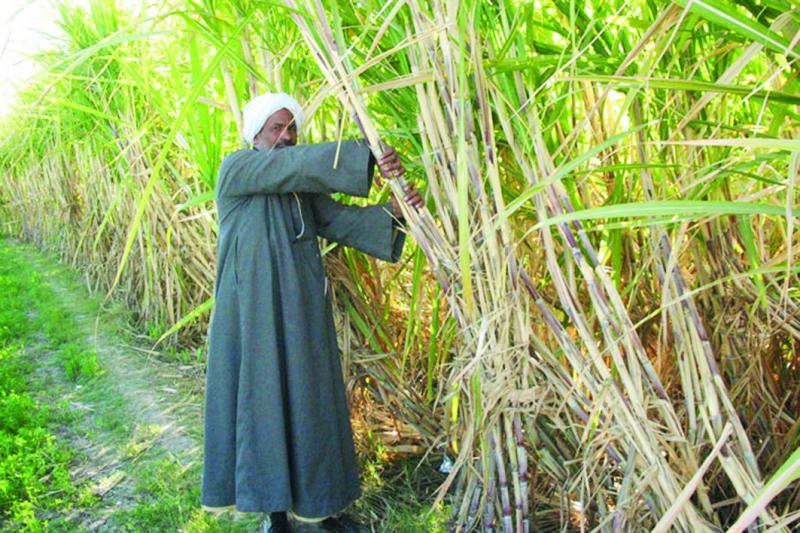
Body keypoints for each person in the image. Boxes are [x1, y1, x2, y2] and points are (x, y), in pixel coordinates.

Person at [201, 92, 424, 533]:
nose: (286, 136)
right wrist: (366, 159)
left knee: (311, 403)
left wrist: (395, 210)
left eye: (292, 128)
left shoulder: (303, 188)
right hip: (252, 319)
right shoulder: (237, 169)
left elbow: (344, 221)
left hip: (302, 315)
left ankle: (323, 509)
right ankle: (274, 514)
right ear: (256, 136)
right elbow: (292, 165)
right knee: (262, 401)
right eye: (276, 128)